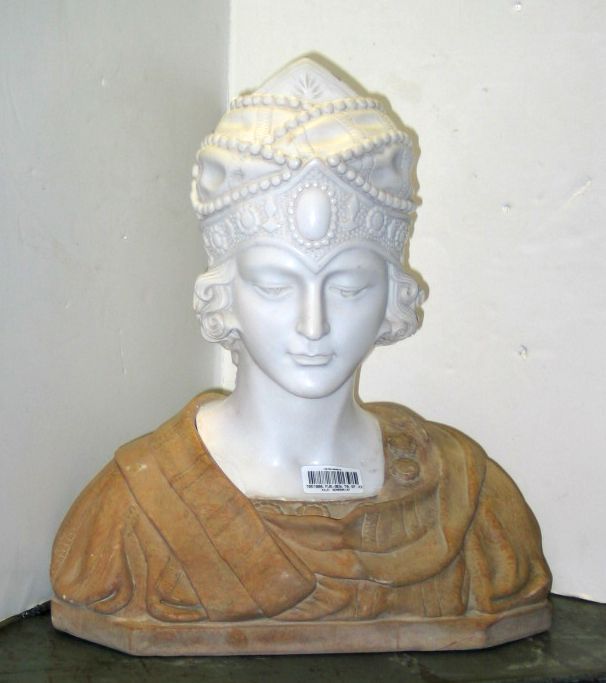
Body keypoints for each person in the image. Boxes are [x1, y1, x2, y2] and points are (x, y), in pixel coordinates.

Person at [51, 58, 551, 656]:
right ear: (224, 296)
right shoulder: (133, 512)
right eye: (274, 284)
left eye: (349, 286)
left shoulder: (472, 502)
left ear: (392, 297)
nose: (313, 324)